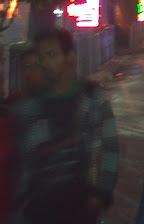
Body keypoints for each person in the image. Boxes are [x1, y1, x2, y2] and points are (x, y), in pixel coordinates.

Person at [9, 28, 119, 224]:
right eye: (41, 57)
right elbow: (22, 159)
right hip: (37, 209)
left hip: (80, 207)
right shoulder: (30, 106)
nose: (45, 63)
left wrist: (101, 193)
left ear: (69, 57)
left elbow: (111, 149)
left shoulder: (93, 99)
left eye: (51, 55)